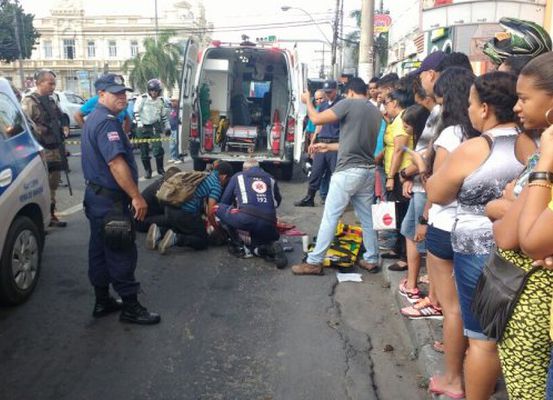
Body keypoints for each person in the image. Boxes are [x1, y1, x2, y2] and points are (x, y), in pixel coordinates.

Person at [427, 71, 524, 399]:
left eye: (470, 103)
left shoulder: (475, 148)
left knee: (483, 341)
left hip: (479, 252)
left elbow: (437, 192)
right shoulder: (538, 143)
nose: (467, 110)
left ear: (484, 109)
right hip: (527, 251)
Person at [490, 52, 553, 399]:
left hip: (531, 299)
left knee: (527, 388)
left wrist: (504, 205)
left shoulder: (546, 156)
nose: (516, 106)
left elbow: (514, 236)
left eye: (525, 98)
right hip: (531, 294)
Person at [81, 73, 160, 325]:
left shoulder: (94, 119)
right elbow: (116, 163)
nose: (122, 97)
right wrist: (136, 196)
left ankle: (102, 300)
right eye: (116, 93)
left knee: (100, 250)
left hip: (95, 198)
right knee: (120, 251)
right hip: (111, 203)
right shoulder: (106, 122)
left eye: (124, 92)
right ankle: (130, 307)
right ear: (101, 95)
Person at [291, 77, 380, 275]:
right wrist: (328, 146)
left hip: (348, 170)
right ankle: (372, 258)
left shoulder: (348, 103)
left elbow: (316, 119)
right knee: (366, 218)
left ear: (349, 92)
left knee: (330, 216)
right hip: (367, 171)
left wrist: (308, 102)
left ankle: (314, 261)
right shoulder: (375, 111)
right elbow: (354, 143)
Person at [147, 161, 233, 254]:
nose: (225, 184)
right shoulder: (216, 185)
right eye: (227, 181)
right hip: (184, 214)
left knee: (185, 228)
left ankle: (159, 231)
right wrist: (217, 228)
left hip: (170, 208)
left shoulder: (205, 175)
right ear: (224, 177)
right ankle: (177, 239)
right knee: (202, 240)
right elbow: (211, 212)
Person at [216, 159, 287, 268]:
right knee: (255, 245)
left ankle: (237, 242)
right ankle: (268, 248)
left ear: (245, 169)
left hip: (246, 219)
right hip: (269, 222)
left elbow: (225, 201)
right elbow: (277, 202)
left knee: (218, 207)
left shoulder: (238, 176)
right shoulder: (270, 178)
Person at [21, 69, 69, 228]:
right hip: (40, 149)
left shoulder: (51, 100)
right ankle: (42, 219)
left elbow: (61, 116)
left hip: (54, 147)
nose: (53, 86)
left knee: (53, 183)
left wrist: (65, 127)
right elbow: (25, 125)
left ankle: (51, 214)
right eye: (50, 83)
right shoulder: (30, 101)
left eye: (54, 83)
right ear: (39, 83)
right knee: (42, 185)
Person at [295, 80, 342, 207]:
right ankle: (309, 197)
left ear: (336, 90)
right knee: (316, 172)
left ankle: (335, 201)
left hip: (335, 144)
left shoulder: (341, 104)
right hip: (322, 142)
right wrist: (313, 141)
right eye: (326, 92)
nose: (328, 95)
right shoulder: (323, 105)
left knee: (336, 175)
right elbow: (319, 123)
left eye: (330, 92)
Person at [134, 79, 171, 179]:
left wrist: (167, 127)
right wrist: (140, 124)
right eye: (152, 90)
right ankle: (148, 171)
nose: (154, 93)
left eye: (156, 90)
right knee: (144, 151)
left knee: (158, 148)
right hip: (142, 127)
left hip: (154, 126)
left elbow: (163, 116)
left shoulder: (161, 100)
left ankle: (160, 169)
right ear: (149, 90)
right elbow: (136, 112)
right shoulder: (142, 98)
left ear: (159, 91)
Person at [134, 166, 181, 233]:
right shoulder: (162, 191)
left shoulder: (163, 182)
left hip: (147, 215)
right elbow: (170, 212)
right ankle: (162, 233)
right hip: (141, 222)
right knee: (175, 220)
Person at [167, 98, 182, 164]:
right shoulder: (172, 109)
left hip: (177, 129)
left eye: (174, 101)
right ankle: (173, 157)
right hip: (172, 129)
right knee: (172, 144)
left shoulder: (179, 110)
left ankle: (179, 158)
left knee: (177, 144)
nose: (172, 102)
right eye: (171, 101)